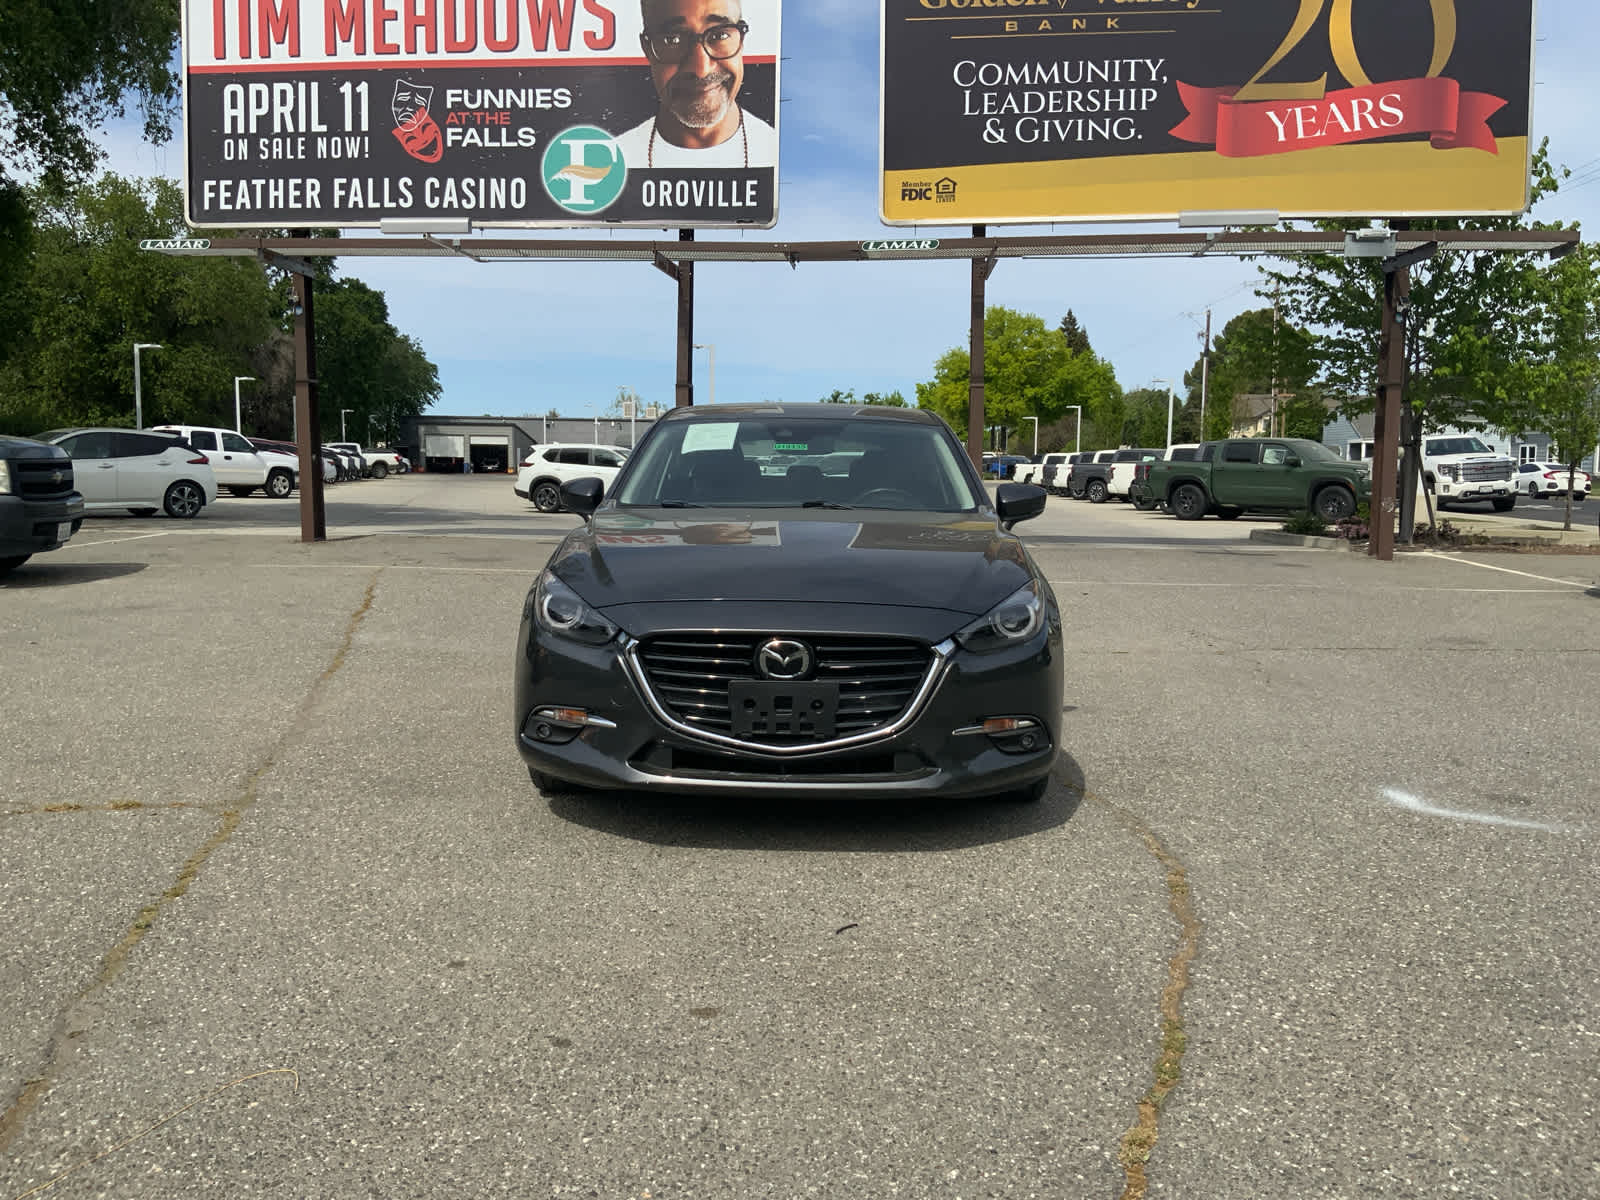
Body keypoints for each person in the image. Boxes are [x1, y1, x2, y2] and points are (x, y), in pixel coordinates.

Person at [615, 0, 776, 169]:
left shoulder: (775, 152)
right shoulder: (611, 169)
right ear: (646, 49)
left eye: (720, 35)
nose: (701, 70)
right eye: (673, 39)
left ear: (741, 40)